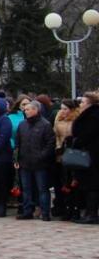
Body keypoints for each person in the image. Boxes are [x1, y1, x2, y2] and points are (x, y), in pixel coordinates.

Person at [14, 100, 56, 221]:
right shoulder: (22, 125)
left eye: (28, 109)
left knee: (42, 189)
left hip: (40, 163)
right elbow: (18, 143)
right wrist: (16, 158)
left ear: (36, 110)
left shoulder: (45, 124)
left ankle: (45, 212)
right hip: (24, 161)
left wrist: (42, 156)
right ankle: (27, 211)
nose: (25, 111)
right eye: (25, 109)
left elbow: (50, 143)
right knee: (26, 189)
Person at [70, 92, 99, 224]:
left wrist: (76, 141)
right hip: (88, 155)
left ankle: (91, 214)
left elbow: (86, 135)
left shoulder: (93, 116)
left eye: (82, 102)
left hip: (92, 156)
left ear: (89, 104)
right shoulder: (89, 115)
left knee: (92, 185)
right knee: (89, 185)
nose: (80, 104)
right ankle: (89, 212)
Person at [53, 99, 80, 220]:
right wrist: (58, 146)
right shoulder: (58, 120)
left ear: (71, 109)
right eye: (61, 108)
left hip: (72, 154)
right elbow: (55, 135)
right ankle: (63, 208)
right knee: (61, 182)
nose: (62, 111)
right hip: (60, 154)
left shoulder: (76, 120)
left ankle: (74, 208)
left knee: (72, 182)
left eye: (65, 109)